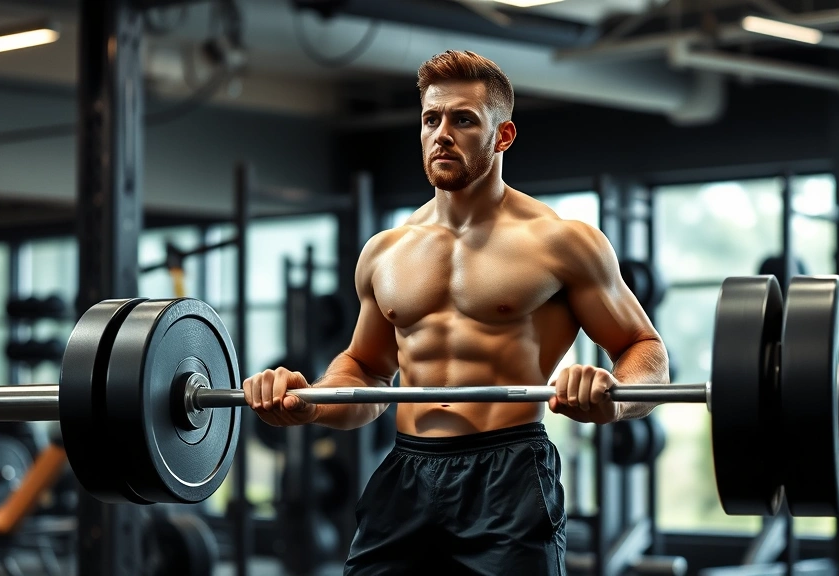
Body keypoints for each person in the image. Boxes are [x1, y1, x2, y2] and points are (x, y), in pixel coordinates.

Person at [242, 50, 669, 575]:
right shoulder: (385, 252)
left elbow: (645, 350)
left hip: (508, 472)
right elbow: (367, 374)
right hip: (406, 471)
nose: (442, 133)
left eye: (463, 119)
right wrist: (310, 405)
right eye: (431, 119)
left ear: (503, 135)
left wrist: (615, 400)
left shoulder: (562, 243)